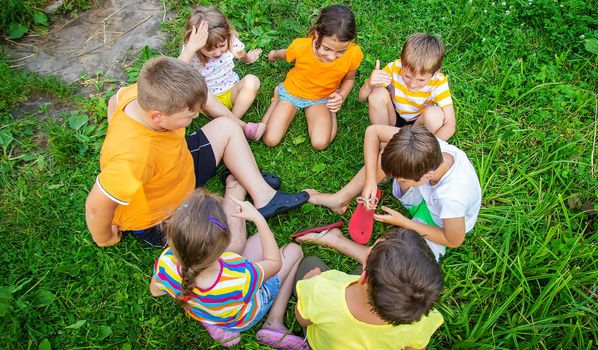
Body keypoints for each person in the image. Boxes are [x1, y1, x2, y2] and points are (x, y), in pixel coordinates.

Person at [85, 56, 308, 249]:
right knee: (232, 245)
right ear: (157, 116)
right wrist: (104, 237)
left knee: (227, 126)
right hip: (162, 214)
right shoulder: (132, 158)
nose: (194, 119)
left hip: (178, 167)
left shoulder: (138, 94)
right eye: (189, 116)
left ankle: (264, 197)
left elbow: (114, 99)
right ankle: (235, 189)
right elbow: (97, 205)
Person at [150, 189, 305, 348]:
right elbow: (274, 263)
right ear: (225, 242)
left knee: (259, 241)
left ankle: (214, 324)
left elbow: (155, 291)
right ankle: (274, 322)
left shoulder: (166, 262)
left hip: (207, 313)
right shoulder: (239, 275)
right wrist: (259, 220)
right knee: (293, 251)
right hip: (243, 318)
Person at [307, 125, 481, 260]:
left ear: (427, 175)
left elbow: (453, 240)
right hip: (424, 196)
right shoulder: (429, 146)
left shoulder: (452, 197)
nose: (397, 180)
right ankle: (340, 199)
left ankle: (336, 240)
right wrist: (370, 181)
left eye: (402, 180)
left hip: (438, 224)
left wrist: (404, 222)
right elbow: (373, 131)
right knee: (388, 155)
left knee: (399, 260)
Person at [258, 227, 444, 350]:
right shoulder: (420, 318)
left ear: (363, 277)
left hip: (321, 343)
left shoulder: (321, 289)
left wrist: (312, 279)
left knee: (310, 263)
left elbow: (303, 319)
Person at [261, 5, 363, 150]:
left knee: (320, 143)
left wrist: (340, 96)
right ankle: (276, 99)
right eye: (327, 49)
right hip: (292, 92)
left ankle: (331, 112)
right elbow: (285, 54)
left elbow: (350, 78)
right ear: (316, 34)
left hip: (322, 98)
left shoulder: (353, 53)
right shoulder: (301, 46)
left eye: (341, 51)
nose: (332, 57)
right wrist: (274, 55)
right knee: (270, 139)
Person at [178, 6, 265, 140]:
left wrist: (248, 59)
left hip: (232, 92)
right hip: (208, 102)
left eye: (222, 46)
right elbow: (176, 71)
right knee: (203, 92)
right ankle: (242, 127)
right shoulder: (191, 51)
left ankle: (232, 123)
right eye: (209, 49)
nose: (217, 53)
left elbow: (240, 54)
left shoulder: (230, 39)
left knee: (252, 80)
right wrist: (191, 47)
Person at [358, 33, 455, 140]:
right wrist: (368, 85)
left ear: (436, 72)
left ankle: (417, 146)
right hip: (393, 119)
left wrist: (431, 147)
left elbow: (450, 125)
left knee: (435, 115)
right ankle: (384, 141)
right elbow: (362, 99)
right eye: (407, 76)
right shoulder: (394, 68)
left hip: (419, 125)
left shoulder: (438, 83)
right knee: (377, 93)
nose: (412, 84)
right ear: (402, 62)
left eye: (421, 80)